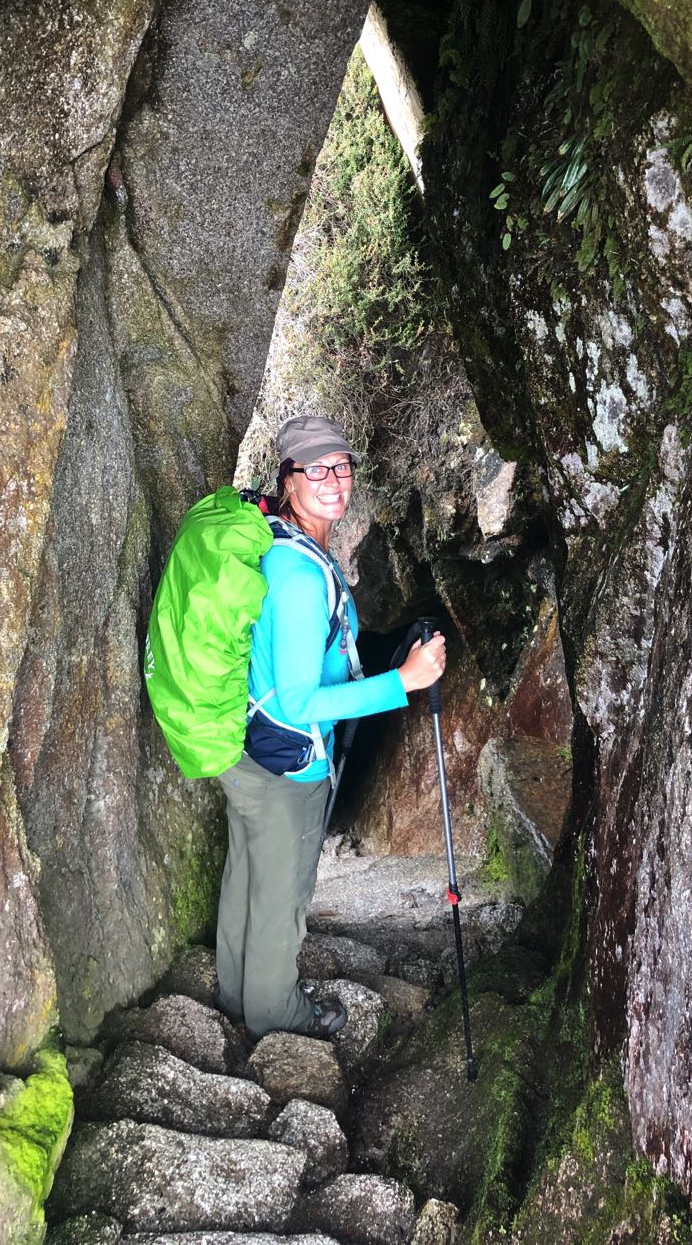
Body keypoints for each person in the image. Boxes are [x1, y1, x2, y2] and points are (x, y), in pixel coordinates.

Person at [215, 414, 446, 1039]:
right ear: (288, 480)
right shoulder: (297, 576)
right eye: (315, 469)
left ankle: (236, 993)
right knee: (282, 896)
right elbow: (299, 702)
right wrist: (405, 683)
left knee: (245, 874)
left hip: (248, 749)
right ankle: (275, 1015)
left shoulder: (276, 540)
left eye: (341, 467)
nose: (334, 481)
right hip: (288, 762)